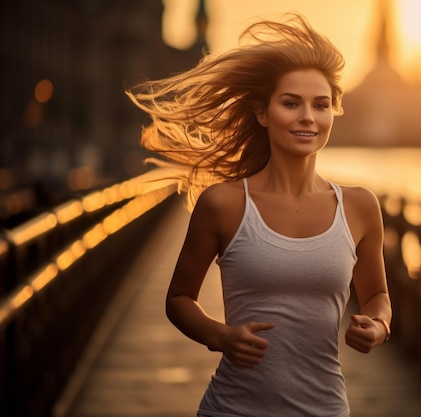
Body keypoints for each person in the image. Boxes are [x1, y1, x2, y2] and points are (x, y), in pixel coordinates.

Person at [126, 13, 391, 417]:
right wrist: (221, 337)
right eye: (291, 103)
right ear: (263, 113)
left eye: (321, 105)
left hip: (326, 409)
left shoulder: (359, 207)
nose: (308, 116)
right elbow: (179, 299)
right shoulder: (223, 204)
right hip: (232, 409)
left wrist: (378, 325)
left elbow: (377, 296)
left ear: (333, 112)